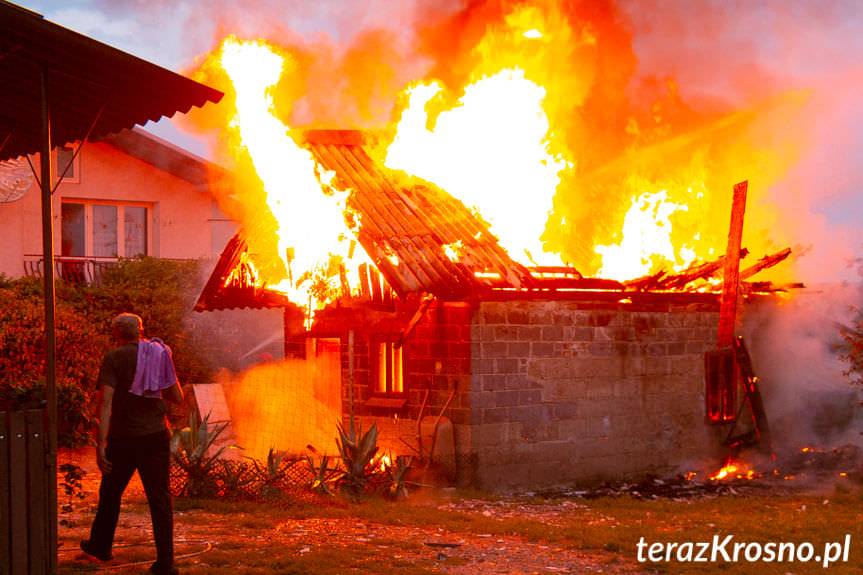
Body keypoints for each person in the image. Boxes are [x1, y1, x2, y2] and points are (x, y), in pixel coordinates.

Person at [80, 313, 184, 575]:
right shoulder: (160, 354)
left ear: (117, 332)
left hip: (123, 438)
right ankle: (165, 563)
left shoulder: (114, 358)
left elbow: (105, 403)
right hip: (155, 436)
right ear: (141, 330)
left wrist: (100, 443)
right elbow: (177, 397)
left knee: (111, 493)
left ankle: (101, 546)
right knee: (159, 498)